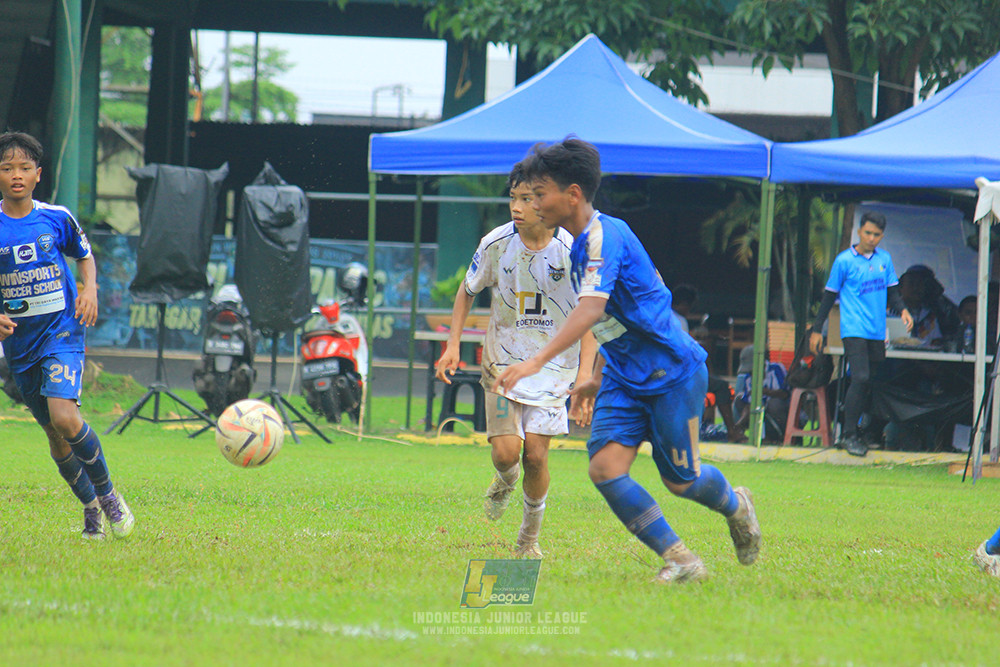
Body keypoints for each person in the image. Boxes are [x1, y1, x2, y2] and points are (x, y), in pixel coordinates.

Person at [494, 138, 760, 583]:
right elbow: (610, 320)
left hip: (671, 371)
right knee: (605, 469)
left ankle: (738, 505)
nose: (533, 203)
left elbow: (591, 310)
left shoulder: (605, 237)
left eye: (540, 193)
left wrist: (535, 361)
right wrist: (596, 376)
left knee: (682, 480)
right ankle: (681, 560)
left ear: (572, 194)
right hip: (623, 374)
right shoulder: (579, 246)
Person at [436, 160, 596, 559]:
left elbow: (591, 316)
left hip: (554, 371)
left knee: (536, 457)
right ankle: (505, 480)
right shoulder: (496, 243)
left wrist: (584, 374)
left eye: (527, 199)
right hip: (503, 365)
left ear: (547, 201)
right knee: (507, 454)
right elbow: (467, 290)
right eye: (513, 198)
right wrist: (453, 345)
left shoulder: (572, 251)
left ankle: (528, 540)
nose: (516, 207)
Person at [0, 131, 135, 540]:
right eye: (7, 168)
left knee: (65, 417)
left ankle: (109, 497)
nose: (17, 175)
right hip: (20, 345)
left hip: (62, 331)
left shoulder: (55, 217)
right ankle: (90, 507)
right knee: (55, 436)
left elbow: (84, 254)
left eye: (25, 168)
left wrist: (90, 289)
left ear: (38, 175)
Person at [809, 211, 913, 457]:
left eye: (876, 234)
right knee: (861, 377)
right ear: (859, 232)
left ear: (882, 236)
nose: (871, 238)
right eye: (867, 233)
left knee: (872, 382)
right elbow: (828, 297)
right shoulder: (844, 260)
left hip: (877, 331)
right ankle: (848, 435)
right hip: (854, 329)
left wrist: (903, 310)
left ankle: (864, 431)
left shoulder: (884, 259)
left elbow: (893, 292)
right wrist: (816, 329)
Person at [671, 283, 746, 443]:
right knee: (721, 386)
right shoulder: (679, 320)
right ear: (682, 304)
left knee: (708, 377)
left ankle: (708, 425)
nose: (689, 311)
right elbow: (684, 352)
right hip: (679, 374)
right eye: (689, 307)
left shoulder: (663, 315)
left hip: (665, 371)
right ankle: (732, 431)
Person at [733, 345, 790, 441]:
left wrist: (764, 391)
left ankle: (782, 436)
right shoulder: (748, 378)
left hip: (779, 411)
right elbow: (748, 402)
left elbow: (785, 394)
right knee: (740, 399)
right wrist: (742, 421)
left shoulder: (776, 369)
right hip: (760, 410)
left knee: (775, 403)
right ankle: (750, 433)